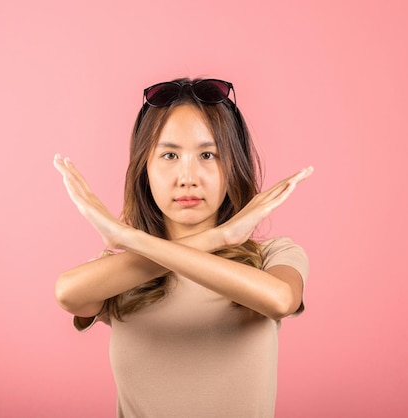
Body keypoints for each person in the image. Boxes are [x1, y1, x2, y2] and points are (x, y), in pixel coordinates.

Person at [53, 77, 313, 418]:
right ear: (145, 167)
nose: (187, 177)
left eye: (208, 154)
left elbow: (280, 300)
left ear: (233, 165)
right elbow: (67, 292)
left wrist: (128, 237)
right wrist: (217, 238)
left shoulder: (272, 256)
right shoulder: (121, 269)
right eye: (170, 155)